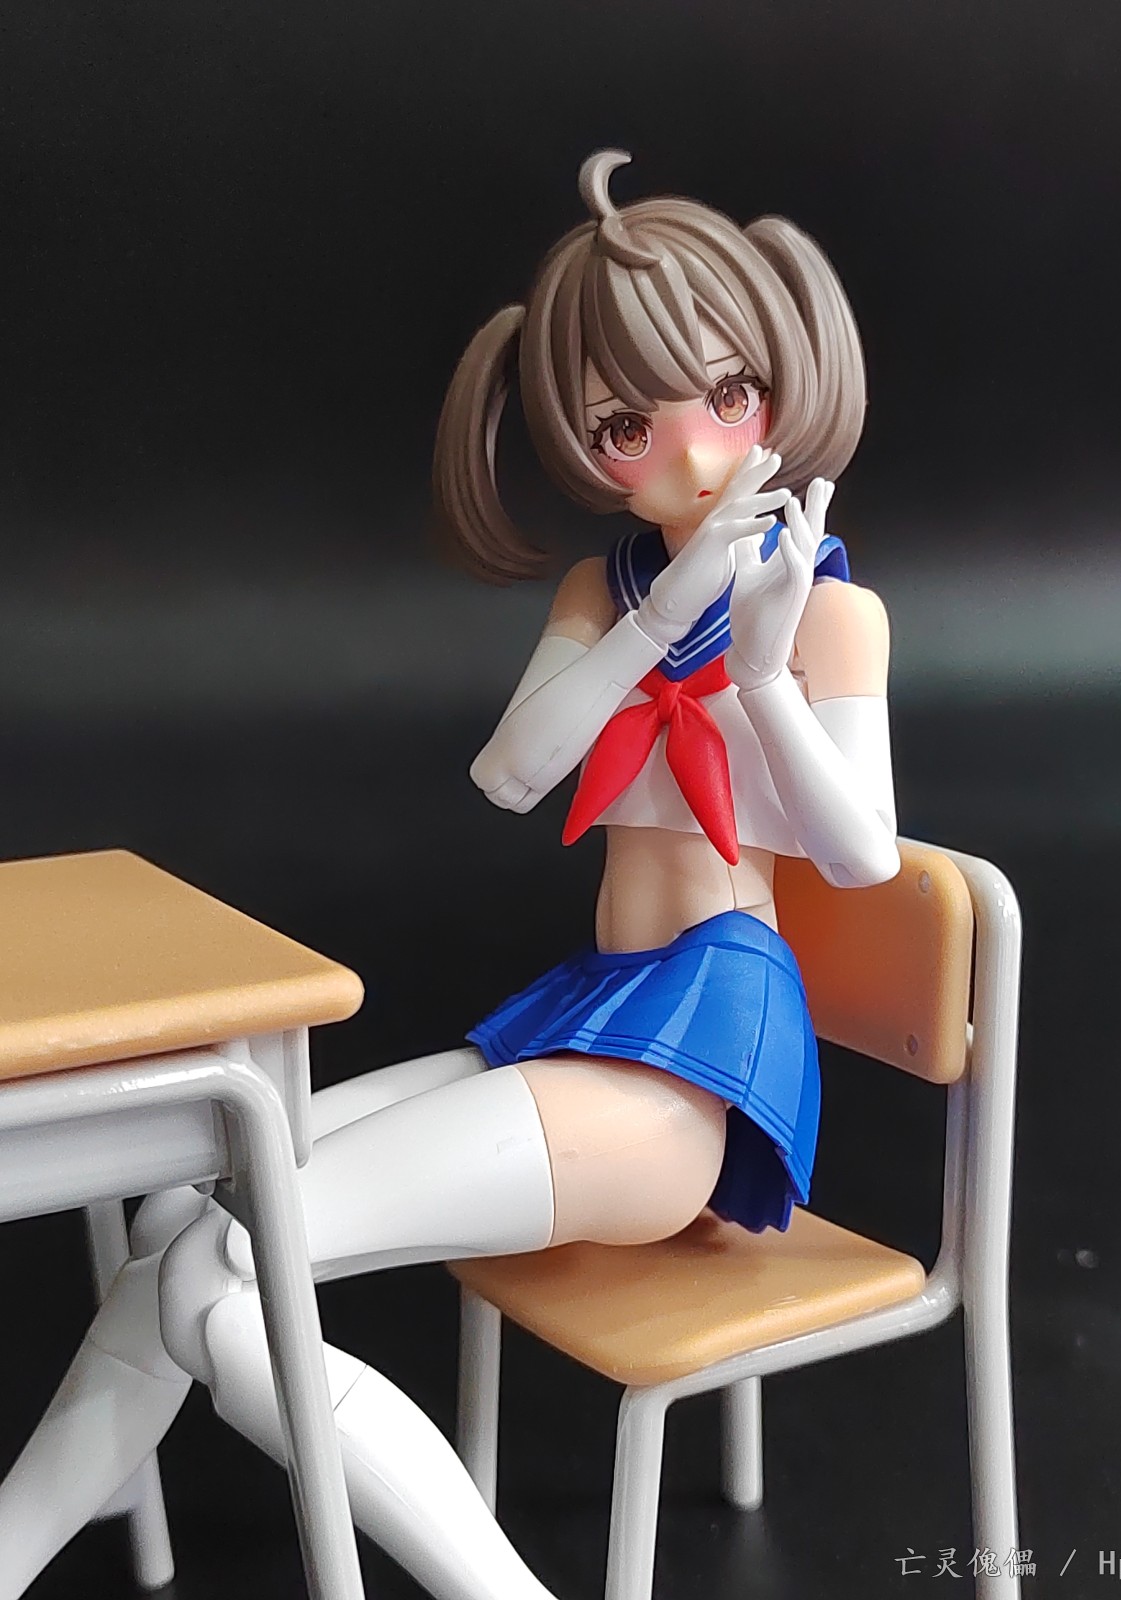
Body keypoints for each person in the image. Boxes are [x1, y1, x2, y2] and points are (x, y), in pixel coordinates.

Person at [0, 150, 898, 1599]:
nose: (689, 454)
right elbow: (510, 774)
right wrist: (656, 617)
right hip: (588, 1015)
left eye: (729, 397)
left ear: (783, 386)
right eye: (627, 425)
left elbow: (860, 857)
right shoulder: (602, 591)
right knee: (179, 1224)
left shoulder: (834, 612)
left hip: (696, 1061)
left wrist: (764, 671)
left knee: (224, 1273)